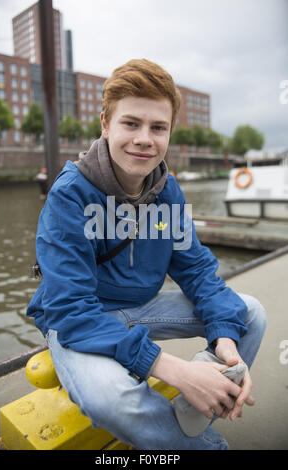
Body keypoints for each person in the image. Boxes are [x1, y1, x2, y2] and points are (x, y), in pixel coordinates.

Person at [27, 59, 266, 450]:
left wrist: (224, 338)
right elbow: (70, 308)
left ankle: (186, 416)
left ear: (170, 132)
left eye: (158, 127)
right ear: (105, 124)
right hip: (80, 318)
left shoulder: (168, 190)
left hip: (139, 308)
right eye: (131, 123)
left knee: (249, 312)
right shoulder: (70, 195)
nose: (144, 139)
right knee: (109, 396)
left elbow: (198, 272)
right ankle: (199, 445)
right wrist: (171, 368)